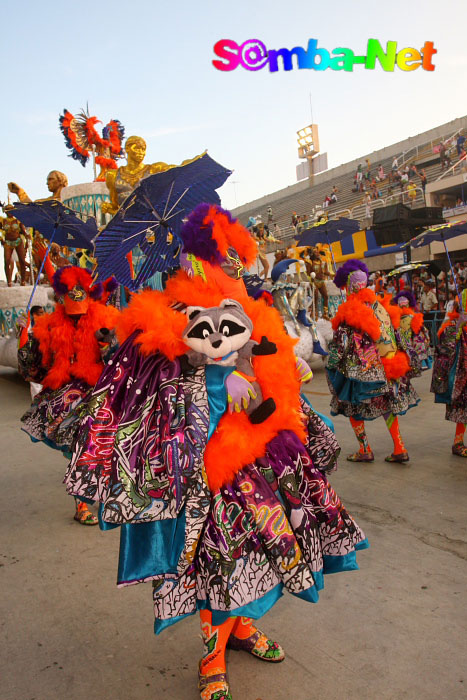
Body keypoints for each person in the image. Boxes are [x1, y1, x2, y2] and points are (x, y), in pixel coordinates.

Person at [64, 204, 368, 700]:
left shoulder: (252, 308)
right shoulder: (167, 318)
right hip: (203, 467)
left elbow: (275, 372)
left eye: (237, 256)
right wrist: (215, 381)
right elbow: (145, 394)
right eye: (223, 255)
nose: (233, 266)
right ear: (197, 261)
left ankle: (241, 629)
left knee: (269, 548)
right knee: (217, 562)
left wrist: (284, 378)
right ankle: (212, 655)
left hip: (263, 456)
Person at [18, 266, 120, 525]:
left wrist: (106, 345)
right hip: (65, 396)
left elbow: (120, 363)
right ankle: (83, 502)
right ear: (60, 299)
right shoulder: (50, 325)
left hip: (99, 392)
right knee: (78, 447)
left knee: (102, 446)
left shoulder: (106, 319)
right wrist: (25, 336)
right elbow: (35, 370)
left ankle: (99, 493)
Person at [327, 259, 419, 463]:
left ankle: (365, 449)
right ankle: (399, 447)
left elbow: (342, 344)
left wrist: (332, 363)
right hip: (390, 366)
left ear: (349, 287)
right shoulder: (381, 305)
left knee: (351, 405)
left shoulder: (350, 310)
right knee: (387, 407)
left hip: (363, 373)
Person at [431, 289, 467, 457]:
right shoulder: (451, 328)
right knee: (462, 409)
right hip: (461, 380)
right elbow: (445, 351)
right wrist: (459, 325)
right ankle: (458, 443)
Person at [0, 210, 29, 286]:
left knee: (22, 261)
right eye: (8, 211)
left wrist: (27, 236)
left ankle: (23, 280)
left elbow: (23, 231)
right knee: (7, 261)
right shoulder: (3, 221)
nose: (9, 212)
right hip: (8, 243)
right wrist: (1, 239)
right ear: (5, 212)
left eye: (11, 210)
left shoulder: (18, 220)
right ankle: (9, 281)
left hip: (18, 241)